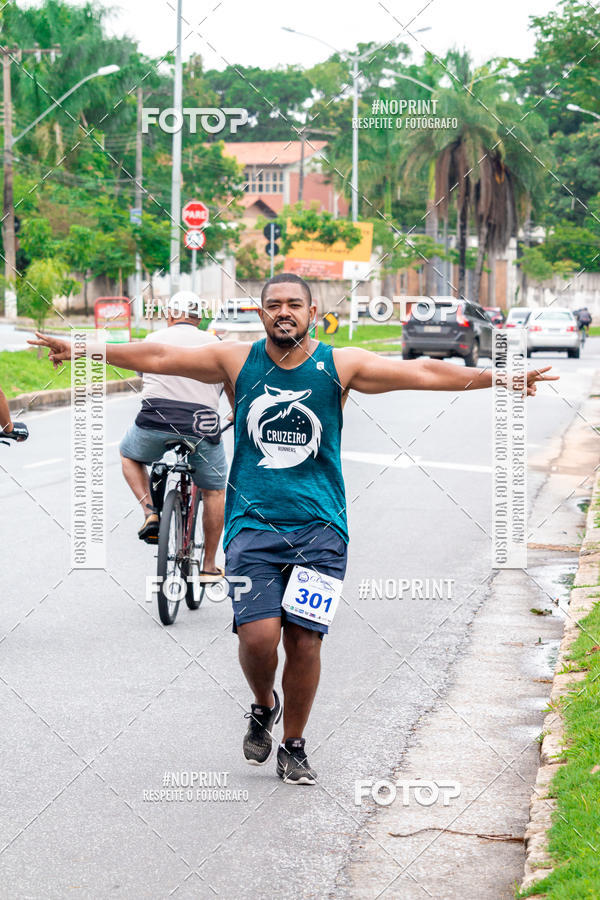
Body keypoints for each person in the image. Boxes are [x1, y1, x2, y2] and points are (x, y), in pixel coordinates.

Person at [30, 273, 558, 785]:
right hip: (251, 527)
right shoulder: (236, 359)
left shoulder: (340, 365)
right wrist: (86, 350)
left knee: (305, 641)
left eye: (294, 304)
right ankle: (263, 705)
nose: (284, 312)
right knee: (259, 637)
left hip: (321, 529)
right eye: (274, 305)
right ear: (262, 313)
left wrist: (501, 378)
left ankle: (294, 745)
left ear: (313, 314)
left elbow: (421, 372)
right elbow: (160, 356)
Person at [119, 292, 232, 580]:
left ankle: (150, 513)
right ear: (198, 318)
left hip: (155, 419)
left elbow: (142, 372)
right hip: (202, 427)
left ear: (170, 315)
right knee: (215, 491)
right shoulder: (217, 344)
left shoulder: (154, 338)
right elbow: (230, 387)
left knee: (129, 455)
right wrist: (236, 412)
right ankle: (208, 565)